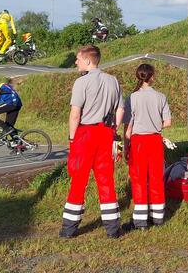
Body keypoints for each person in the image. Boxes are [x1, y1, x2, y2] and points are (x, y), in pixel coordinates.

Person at [61, 45, 123, 239]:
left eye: (78, 59)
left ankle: (69, 228)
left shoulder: (81, 83)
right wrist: (113, 129)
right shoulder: (113, 81)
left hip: (85, 134)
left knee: (79, 180)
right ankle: (113, 229)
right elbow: (120, 110)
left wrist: (72, 138)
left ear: (88, 61)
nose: (76, 62)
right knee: (106, 180)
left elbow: (75, 114)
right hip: (106, 133)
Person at [122, 63, 171, 231]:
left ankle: (140, 221)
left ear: (138, 76)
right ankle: (158, 218)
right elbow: (168, 122)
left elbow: (128, 127)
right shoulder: (161, 97)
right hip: (155, 141)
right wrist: (155, 125)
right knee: (156, 178)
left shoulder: (132, 98)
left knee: (139, 179)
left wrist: (125, 146)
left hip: (138, 142)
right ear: (152, 77)